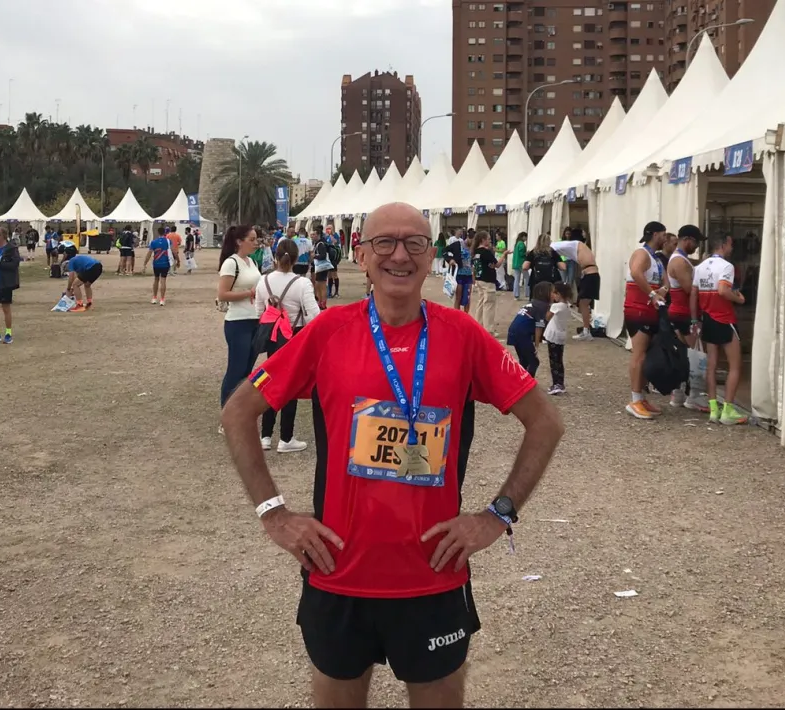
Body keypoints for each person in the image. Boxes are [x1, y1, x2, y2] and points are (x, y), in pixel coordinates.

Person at [221, 202, 563, 708]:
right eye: (385, 242)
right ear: (361, 254)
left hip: (432, 575)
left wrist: (497, 515)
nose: (399, 255)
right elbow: (238, 412)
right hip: (338, 571)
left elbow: (546, 421)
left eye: (414, 243)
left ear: (432, 258)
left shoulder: (464, 335)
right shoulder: (327, 332)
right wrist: (274, 514)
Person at [252, 238, 320, 453]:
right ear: (296, 258)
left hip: (272, 335)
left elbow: (258, 312)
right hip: (294, 335)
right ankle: (286, 437)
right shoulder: (302, 283)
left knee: (271, 381)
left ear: (275, 256)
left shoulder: (264, 281)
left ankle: (265, 435)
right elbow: (314, 316)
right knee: (291, 384)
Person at [692, 233, 749, 426]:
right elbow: (723, 290)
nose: (732, 248)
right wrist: (739, 299)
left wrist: (695, 319)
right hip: (724, 319)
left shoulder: (700, 267)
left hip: (707, 319)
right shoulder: (726, 267)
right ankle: (728, 410)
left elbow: (693, 295)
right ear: (723, 245)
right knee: (735, 366)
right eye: (731, 244)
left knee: (711, 365)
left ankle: (714, 410)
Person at [623, 221, 669, 420]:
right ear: (655, 234)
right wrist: (651, 294)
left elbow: (666, 281)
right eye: (663, 235)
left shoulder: (656, 258)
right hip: (638, 310)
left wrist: (662, 291)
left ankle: (641, 397)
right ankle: (634, 399)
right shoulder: (642, 254)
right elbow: (635, 272)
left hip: (650, 310)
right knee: (639, 354)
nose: (665, 239)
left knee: (646, 355)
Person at [216, 224, 262, 418]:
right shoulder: (231, 263)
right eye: (251, 239)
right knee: (236, 369)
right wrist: (248, 293)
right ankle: (227, 416)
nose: (255, 243)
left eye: (256, 239)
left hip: (255, 320)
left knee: (247, 371)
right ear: (239, 241)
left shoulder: (252, 262)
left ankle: (240, 412)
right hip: (237, 322)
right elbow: (223, 293)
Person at [665, 225, 707, 410]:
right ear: (687, 240)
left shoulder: (681, 260)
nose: (697, 247)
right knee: (695, 354)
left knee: (683, 354)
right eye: (696, 243)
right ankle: (694, 396)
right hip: (684, 313)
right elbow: (690, 289)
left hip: (679, 312)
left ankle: (680, 393)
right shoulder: (679, 262)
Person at [550, 237, 600, 341]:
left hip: (590, 276)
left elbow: (553, 247)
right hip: (589, 276)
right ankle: (586, 330)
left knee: (584, 304)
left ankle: (587, 332)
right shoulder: (577, 249)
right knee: (582, 304)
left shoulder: (575, 244)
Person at [507, 281, 552, 378]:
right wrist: (536, 345)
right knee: (534, 362)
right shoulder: (542, 306)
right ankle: (528, 384)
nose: (554, 294)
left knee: (524, 361)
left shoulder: (533, 303)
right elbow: (539, 327)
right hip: (522, 334)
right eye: (552, 292)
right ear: (546, 293)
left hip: (513, 331)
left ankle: (520, 381)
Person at [542, 282, 573, 395]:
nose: (552, 295)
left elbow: (547, 317)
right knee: (559, 360)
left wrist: (550, 305)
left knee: (554, 361)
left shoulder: (556, 306)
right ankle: (560, 383)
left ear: (558, 294)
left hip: (553, 335)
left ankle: (556, 384)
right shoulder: (567, 305)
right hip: (561, 335)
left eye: (554, 293)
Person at [470, 230, 500, 334]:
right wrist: (504, 255)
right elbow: (497, 264)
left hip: (479, 279)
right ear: (483, 240)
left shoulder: (475, 252)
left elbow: (473, 267)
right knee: (489, 305)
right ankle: (488, 330)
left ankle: (478, 326)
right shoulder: (486, 252)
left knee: (481, 303)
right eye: (488, 239)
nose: (490, 241)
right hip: (487, 280)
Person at [142, 230, 174, 305]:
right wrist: (178, 260)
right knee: (163, 280)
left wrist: (145, 263)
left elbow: (149, 253)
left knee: (156, 279)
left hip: (156, 263)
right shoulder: (168, 241)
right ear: (165, 233)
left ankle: (154, 297)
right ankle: (162, 299)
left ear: (158, 233)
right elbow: (173, 251)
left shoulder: (153, 242)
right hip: (165, 263)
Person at [311, 229, 334, 309]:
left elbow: (323, 256)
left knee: (322, 285)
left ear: (318, 235)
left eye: (314, 234)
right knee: (318, 285)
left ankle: (323, 303)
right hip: (320, 268)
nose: (312, 236)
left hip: (322, 267)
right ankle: (320, 301)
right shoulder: (317, 243)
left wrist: (315, 256)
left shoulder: (321, 244)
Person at [511, 232, 528, 299]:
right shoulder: (521, 244)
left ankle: (516, 294)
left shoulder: (517, 244)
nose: (526, 239)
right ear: (523, 237)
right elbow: (521, 253)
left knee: (517, 279)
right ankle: (527, 293)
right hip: (521, 263)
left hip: (516, 264)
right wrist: (526, 253)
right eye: (526, 237)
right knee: (527, 278)